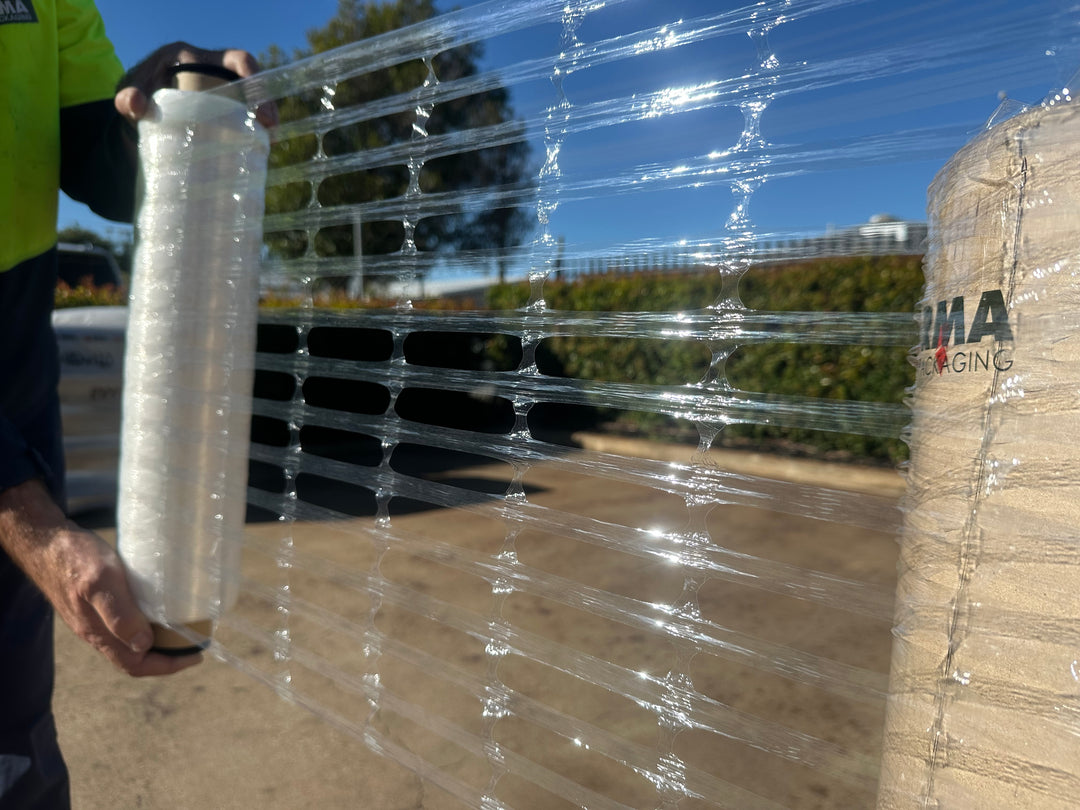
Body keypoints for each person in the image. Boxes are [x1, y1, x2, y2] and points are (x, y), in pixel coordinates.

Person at [0, 2, 273, 807]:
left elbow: (102, 162)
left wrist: (171, 115)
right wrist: (30, 519)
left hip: (14, 400)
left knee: (15, 750)